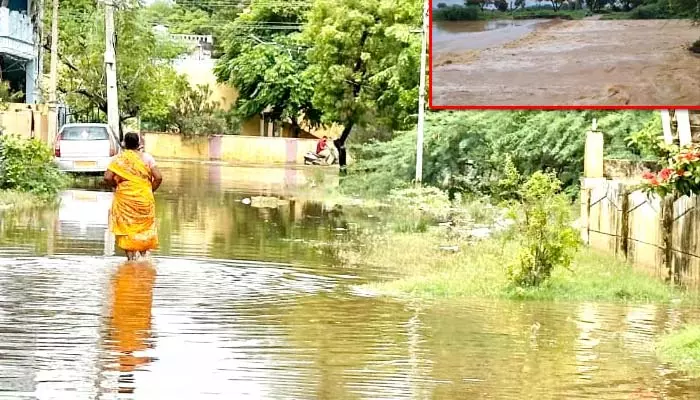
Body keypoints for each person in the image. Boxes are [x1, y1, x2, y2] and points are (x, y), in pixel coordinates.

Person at [104, 132, 163, 261]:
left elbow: (107, 177)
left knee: (126, 227)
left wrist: (116, 187)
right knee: (144, 227)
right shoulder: (147, 158)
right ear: (138, 144)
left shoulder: (118, 159)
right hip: (144, 198)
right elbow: (158, 177)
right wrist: (149, 190)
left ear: (124, 144)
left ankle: (130, 259)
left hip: (125, 199)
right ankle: (143, 257)